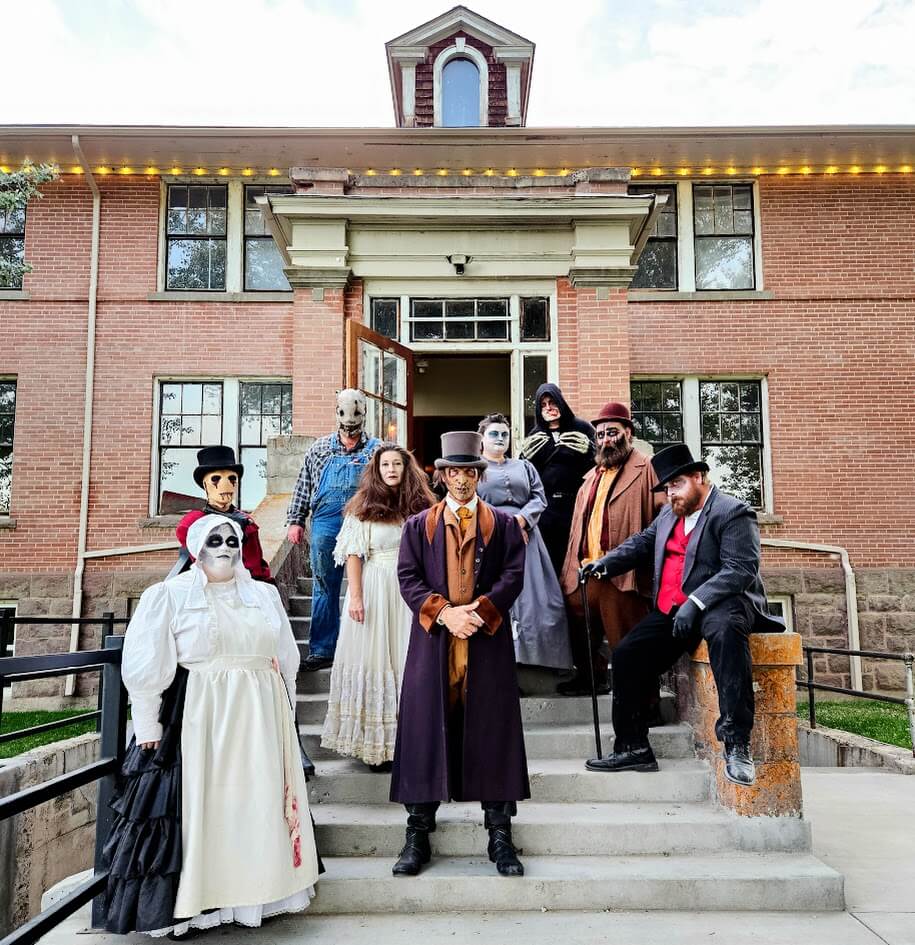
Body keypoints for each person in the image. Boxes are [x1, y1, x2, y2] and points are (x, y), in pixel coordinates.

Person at [103, 515, 320, 936]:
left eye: (232, 540)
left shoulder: (263, 596)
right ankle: (201, 901)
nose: (225, 548)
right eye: (215, 540)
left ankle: (254, 893)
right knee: (205, 804)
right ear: (197, 547)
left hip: (260, 714)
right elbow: (148, 664)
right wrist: (146, 721)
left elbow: (286, 659)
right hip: (202, 716)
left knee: (255, 802)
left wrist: (286, 712)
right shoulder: (169, 595)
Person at [581, 444, 785, 786]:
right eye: (667, 488)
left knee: (726, 633)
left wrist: (697, 601)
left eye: (677, 484)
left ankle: (737, 743)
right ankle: (633, 747)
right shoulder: (670, 513)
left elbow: (740, 569)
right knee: (629, 654)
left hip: (724, 604)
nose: (671, 493)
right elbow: (643, 543)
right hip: (675, 609)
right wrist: (605, 563)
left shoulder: (732, 511)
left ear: (698, 476)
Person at [390, 431, 529, 877]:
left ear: (478, 475)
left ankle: (501, 835)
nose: (462, 479)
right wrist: (446, 613)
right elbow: (408, 578)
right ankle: (417, 835)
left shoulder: (503, 525)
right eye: (453, 472)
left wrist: (480, 612)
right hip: (435, 642)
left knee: (494, 732)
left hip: (486, 642)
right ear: (442, 475)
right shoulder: (419, 526)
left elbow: (513, 576)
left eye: (469, 471)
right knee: (425, 732)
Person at [321, 444, 435, 770]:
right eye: (385, 464)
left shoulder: (423, 507)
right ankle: (377, 746)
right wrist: (355, 597)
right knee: (375, 659)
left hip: (411, 590)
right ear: (377, 469)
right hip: (375, 588)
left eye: (397, 463)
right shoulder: (362, 507)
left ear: (405, 468)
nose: (391, 469)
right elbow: (354, 554)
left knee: (408, 660)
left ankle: (412, 741)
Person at [557, 402, 665, 696]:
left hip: (623, 573)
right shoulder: (590, 477)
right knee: (581, 633)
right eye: (601, 434)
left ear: (628, 433)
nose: (605, 439)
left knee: (627, 638)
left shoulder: (647, 469)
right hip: (584, 570)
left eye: (612, 432)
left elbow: (664, 521)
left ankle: (645, 702)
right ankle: (591, 679)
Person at [286, 389, 381, 671]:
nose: (350, 433)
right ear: (336, 416)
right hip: (325, 523)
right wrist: (295, 519)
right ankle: (323, 649)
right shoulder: (319, 448)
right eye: (345, 425)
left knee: (365, 586)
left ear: (364, 416)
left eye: (355, 425)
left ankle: (363, 650)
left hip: (364, 522)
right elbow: (304, 484)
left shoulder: (377, 450)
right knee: (325, 585)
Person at [476, 413, 572, 670]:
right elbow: (473, 504)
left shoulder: (524, 466)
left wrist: (521, 520)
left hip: (527, 539)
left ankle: (535, 658)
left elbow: (539, 498)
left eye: (504, 434)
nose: (500, 439)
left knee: (537, 599)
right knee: (500, 597)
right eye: (494, 434)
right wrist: (505, 525)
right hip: (491, 540)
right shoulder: (475, 470)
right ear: (482, 439)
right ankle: (502, 661)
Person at [519, 383, 595, 577]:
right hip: (547, 509)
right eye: (543, 405)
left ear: (561, 402)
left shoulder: (582, 428)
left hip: (577, 504)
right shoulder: (535, 434)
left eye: (552, 402)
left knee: (577, 556)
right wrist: (524, 458)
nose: (548, 408)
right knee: (549, 561)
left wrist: (591, 450)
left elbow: (600, 465)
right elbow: (525, 474)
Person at [175, 445, 272, 582]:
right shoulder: (193, 522)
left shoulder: (247, 522)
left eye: (232, 479)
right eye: (216, 479)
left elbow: (256, 564)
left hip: (247, 587)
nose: (225, 485)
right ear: (205, 485)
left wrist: (264, 587)